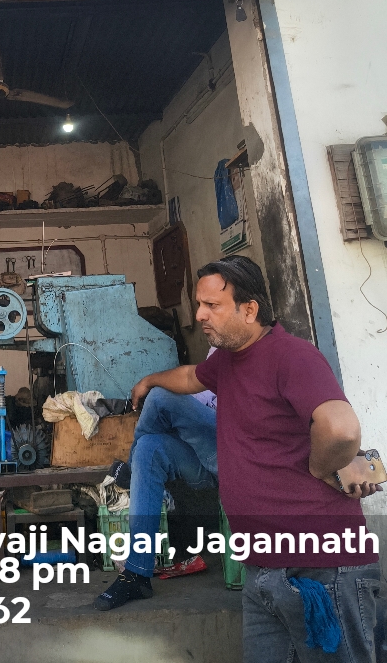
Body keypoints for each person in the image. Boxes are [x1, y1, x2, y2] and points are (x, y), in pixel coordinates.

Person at [123, 256, 382, 662]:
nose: (200, 315)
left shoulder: (291, 356)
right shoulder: (228, 360)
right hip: (263, 572)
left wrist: (320, 468)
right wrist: (150, 380)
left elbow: (341, 429)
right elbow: (191, 377)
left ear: (249, 309)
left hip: (319, 571)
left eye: (212, 305)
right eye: (199, 304)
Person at [94, 367, 219, 610]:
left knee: (160, 397)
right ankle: (137, 574)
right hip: (207, 455)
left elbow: (189, 380)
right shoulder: (220, 352)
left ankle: (128, 475)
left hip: (237, 454)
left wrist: (149, 381)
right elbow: (195, 384)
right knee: (148, 449)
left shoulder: (258, 352)